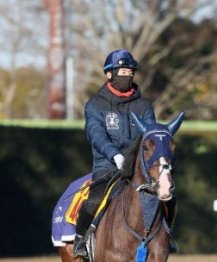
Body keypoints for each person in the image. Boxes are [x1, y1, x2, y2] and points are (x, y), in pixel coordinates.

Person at [73, 49, 156, 258]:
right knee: (93, 202)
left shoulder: (144, 106)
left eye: (130, 72)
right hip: (107, 167)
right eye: (122, 71)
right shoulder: (95, 105)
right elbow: (96, 134)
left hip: (138, 168)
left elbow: (150, 138)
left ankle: (165, 238)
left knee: (164, 199)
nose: (126, 76)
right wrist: (115, 155)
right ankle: (81, 240)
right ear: (109, 74)